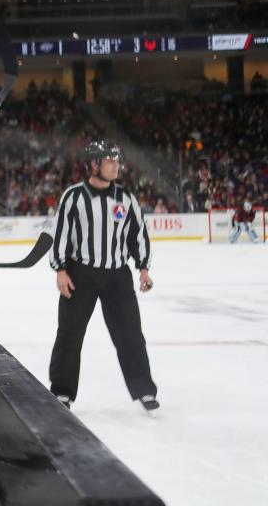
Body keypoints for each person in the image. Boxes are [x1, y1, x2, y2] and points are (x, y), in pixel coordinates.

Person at [48, 140, 159, 412]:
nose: (116, 166)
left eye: (117, 161)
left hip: (118, 277)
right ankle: (62, 392)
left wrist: (143, 268)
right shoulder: (73, 196)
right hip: (80, 273)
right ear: (94, 165)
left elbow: (138, 236)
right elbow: (60, 235)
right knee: (70, 334)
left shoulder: (126, 198)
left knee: (131, 335)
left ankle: (145, 390)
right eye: (109, 161)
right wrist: (60, 270)